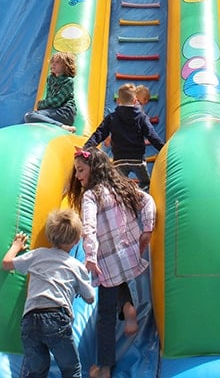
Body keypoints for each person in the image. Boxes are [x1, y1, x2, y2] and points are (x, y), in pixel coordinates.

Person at [66, 148, 156, 378]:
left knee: (104, 316)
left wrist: (90, 255)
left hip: (107, 259)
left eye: (81, 170)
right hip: (128, 254)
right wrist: (147, 229)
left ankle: (104, 367)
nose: (77, 176)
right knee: (115, 280)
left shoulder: (91, 195)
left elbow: (89, 227)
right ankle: (128, 309)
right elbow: (147, 200)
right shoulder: (120, 186)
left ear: (93, 169)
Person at [1, 209, 95, 378]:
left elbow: (6, 264)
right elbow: (90, 298)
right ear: (76, 240)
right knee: (71, 370)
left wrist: (16, 246)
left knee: (36, 371)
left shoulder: (37, 255)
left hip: (30, 319)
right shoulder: (76, 266)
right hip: (56, 319)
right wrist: (82, 279)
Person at [84, 84, 164, 191]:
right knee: (145, 183)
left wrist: (87, 146)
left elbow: (99, 133)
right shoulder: (141, 117)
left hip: (119, 160)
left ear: (118, 101)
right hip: (137, 159)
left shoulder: (112, 117)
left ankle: (123, 201)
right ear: (135, 101)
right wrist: (163, 149)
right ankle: (140, 198)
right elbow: (151, 135)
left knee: (119, 186)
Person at [24, 51, 77, 132]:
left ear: (66, 66)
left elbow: (56, 101)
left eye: (57, 62)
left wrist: (40, 104)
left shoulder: (68, 81)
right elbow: (49, 99)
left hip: (65, 113)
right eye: (52, 62)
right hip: (54, 111)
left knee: (30, 115)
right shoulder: (50, 79)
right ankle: (55, 124)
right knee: (30, 117)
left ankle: (62, 126)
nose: (53, 64)